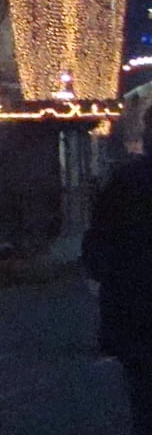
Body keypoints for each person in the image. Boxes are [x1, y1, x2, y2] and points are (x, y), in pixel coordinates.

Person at [85, 153, 152, 434]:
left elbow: (97, 240)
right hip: (132, 301)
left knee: (142, 397)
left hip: (131, 305)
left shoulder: (125, 180)